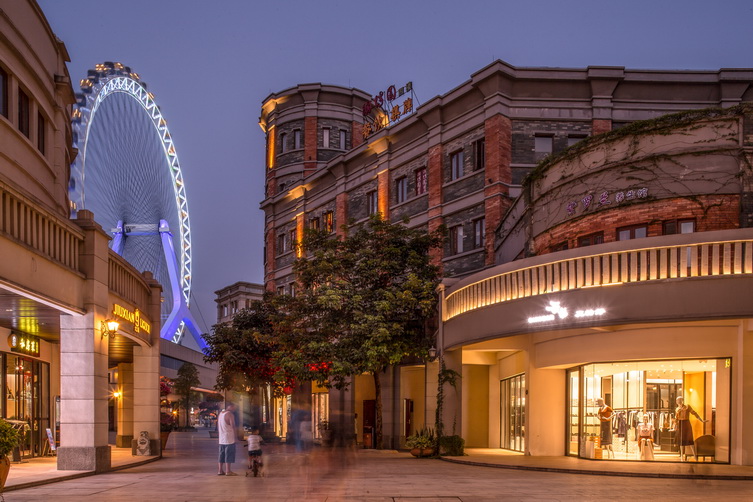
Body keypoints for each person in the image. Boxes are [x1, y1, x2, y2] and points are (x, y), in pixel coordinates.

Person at [675, 396, 707, 461]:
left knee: (689, 439)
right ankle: (681, 457)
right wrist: (675, 426)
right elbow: (676, 418)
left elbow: (694, 413)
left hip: (686, 423)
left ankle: (695, 456)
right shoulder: (677, 409)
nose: (678, 401)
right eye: (677, 400)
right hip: (680, 424)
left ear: (682, 400)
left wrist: (701, 420)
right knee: (681, 440)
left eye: (679, 400)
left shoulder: (687, 407)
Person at [217, 402, 238, 476]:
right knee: (229, 454)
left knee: (221, 454)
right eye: (234, 407)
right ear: (230, 406)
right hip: (229, 438)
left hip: (221, 438)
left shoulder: (220, 414)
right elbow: (233, 426)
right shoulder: (230, 414)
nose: (235, 408)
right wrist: (236, 436)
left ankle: (220, 470)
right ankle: (228, 471)